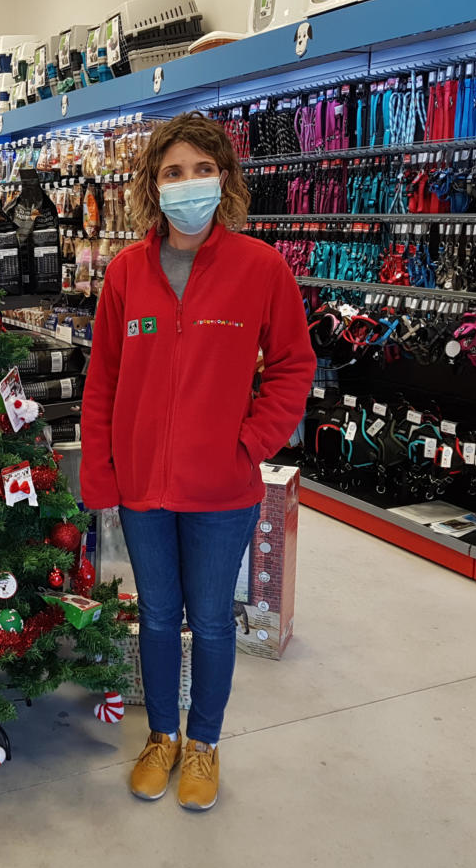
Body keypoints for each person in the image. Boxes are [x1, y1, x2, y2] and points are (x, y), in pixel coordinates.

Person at [80, 112, 315, 811]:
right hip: (143, 483)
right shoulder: (125, 273)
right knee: (156, 615)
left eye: (202, 169)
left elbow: (294, 366)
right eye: (173, 172)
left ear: (225, 179)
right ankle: (161, 736)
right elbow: (104, 381)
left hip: (223, 488)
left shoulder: (260, 267)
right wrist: (101, 472)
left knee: (211, 619)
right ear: (154, 185)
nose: (189, 184)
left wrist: (250, 442)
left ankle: (204, 743)